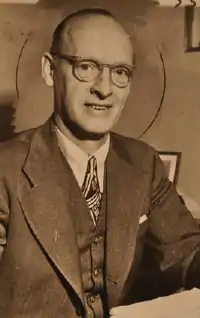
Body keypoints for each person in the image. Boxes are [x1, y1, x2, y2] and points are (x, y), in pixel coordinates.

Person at [0, 7, 200, 318]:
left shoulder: (143, 163)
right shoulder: (5, 170)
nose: (104, 89)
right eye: (87, 66)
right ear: (50, 70)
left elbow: (187, 253)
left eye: (120, 72)